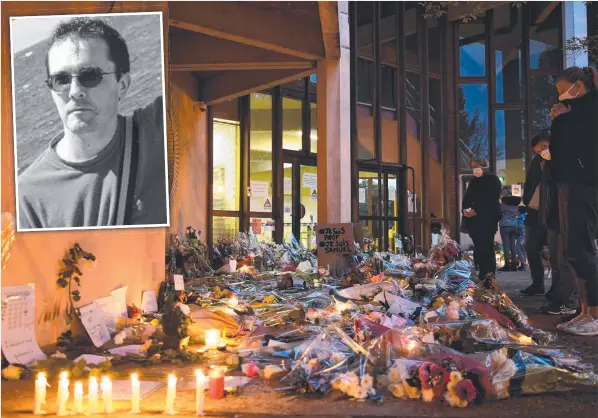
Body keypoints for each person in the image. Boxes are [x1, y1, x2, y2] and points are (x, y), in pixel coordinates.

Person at [17, 17, 167, 229]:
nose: (75, 91)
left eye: (90, 76)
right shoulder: (27, 197)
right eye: (61, 80)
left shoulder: (158, 131)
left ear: (122, 85)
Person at [549, 66, 598, 336]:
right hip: (569, 183)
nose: (561, 97)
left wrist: (565, 117)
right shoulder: (574, 111)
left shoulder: (588, 109)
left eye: (563, 90)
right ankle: (584, 310)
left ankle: (594, 312)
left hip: (584, 184)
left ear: (578, 85)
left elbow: (583, 143)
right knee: (574, 250)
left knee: (582, 247)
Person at [520, 131, 577, 315]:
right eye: (538, 151)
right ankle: (555, 294)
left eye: (544, 147)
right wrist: (529, 201)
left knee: (563, 257)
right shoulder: (539, 164)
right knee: (549, 254)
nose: (543, 152)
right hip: (542, 213)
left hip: (562, 214)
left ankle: (566, 300)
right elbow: (532, 185)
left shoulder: (565, 159)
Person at [462, 158, 502, 284]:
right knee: (479, 246)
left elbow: (490, 200)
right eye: (472, 167)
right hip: (474, 220)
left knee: (487, 246)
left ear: (484, 166)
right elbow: (467, 198)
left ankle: (488, 274)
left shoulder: (493, 180)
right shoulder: (474, 181)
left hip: (487, 219)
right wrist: (465, 210)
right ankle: (482, 272)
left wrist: (476, 210)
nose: (475, 169)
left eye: (477, 166)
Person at [498, 188, 522, 272]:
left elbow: (499, 213)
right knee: (513, 245)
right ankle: (514, 264)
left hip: (505, 226)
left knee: (506, 246)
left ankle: (507, 264)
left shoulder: (503, 204)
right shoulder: (515, 204)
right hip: (514, 225)